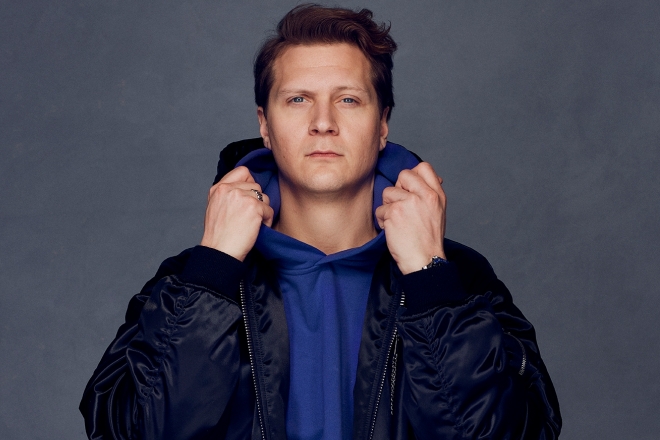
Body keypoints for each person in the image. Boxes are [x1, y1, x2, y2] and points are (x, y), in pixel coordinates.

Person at [80, 4, 561, 439]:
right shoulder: (193, 279)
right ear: (264, 125)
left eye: (348, 99)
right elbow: (136, 432)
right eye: (297, 99)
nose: (323, 122)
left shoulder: (459, 279)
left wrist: (430, 281)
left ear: (382, 123)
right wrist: (213, 270)